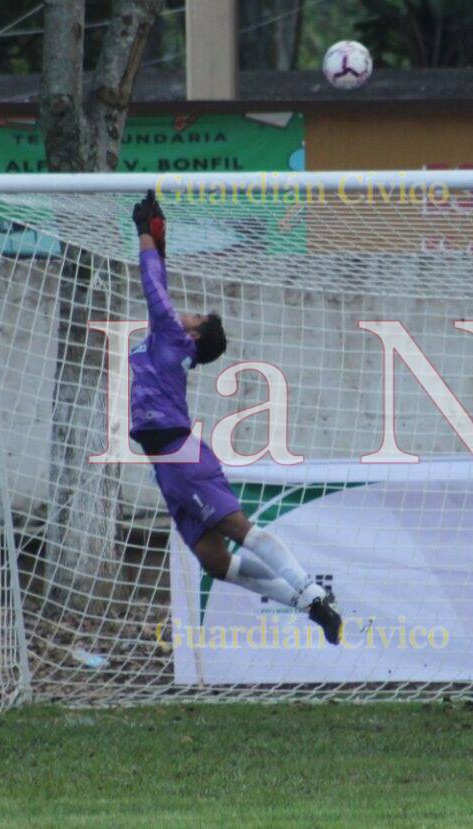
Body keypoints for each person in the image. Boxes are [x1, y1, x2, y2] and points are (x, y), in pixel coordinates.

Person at [127, 191, 340, 644]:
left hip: (179, 453)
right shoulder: (167, 337)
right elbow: (160, 286)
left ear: (194, 332)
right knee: (214, 561)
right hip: (165, 461)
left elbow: (152, 285)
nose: (182, 311)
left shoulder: (174, 339)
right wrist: (159, 238)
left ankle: (312, 591)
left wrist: (145, 235)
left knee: (238, 529)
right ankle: (308, 605)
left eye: (194, 314)